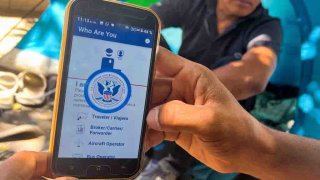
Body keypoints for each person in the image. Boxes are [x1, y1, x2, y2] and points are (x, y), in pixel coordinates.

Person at [1, 48, 320, 180]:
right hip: (170, 114)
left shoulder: (268, 26)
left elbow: (254, 75)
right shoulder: (199, 5)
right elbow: (151, 12)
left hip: (194, 121)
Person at [143, 0, 282, 178]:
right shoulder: (194, 4)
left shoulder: (267, 25)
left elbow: (253, 76)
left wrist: (176, 92)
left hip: (219, 111)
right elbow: (144, 21)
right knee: (148, 34)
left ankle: (175, 164)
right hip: (176, 91)